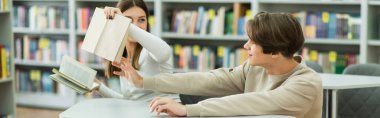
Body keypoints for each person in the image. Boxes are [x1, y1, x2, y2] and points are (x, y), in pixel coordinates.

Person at [117, 12, 323, 117]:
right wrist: (145, 81)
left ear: (276, 52)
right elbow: (209, 79)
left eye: (253, 42)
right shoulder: (255, 68)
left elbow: (251, 102)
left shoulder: (305, 85)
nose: (246, 45)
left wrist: (188, 110)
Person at [93, 0, 174, 101]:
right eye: (129, 20)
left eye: (142, 20)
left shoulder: (152, 50)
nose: (136, 25)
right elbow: (130, 101)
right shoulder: (123, 57)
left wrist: (124, 24)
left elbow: (165, 52)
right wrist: (99, 86)